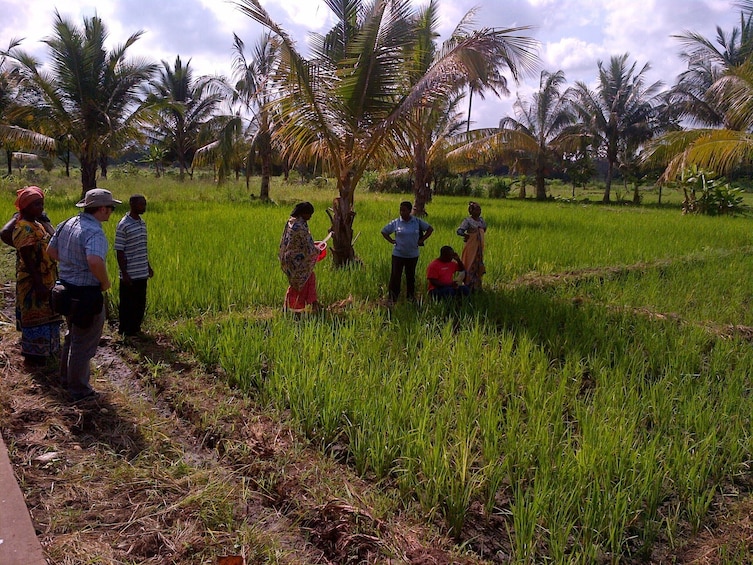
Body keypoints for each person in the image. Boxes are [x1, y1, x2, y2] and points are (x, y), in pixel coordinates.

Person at [47, 188, 121, 402]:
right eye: (111, 208)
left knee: (73, 335)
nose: (111, 212)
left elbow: (51, 251)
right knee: (83, 343)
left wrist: (71, 264)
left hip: (66, 290)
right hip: (86, 295)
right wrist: (105, 282)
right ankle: (79, 390)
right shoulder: (94, 232)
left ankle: (65, 378)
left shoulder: (68, 223)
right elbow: (95, 261)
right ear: (102, 209)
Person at [9, 186, 62, 365]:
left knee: (48, 313)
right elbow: (28, 259)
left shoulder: (37, 224)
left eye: (41, 204)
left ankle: (48, 350)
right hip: (33, 281)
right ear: (25, 207)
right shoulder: (23, 227)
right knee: (35, 314)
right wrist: (38, 283)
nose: (40, 208)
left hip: (47, 278)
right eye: (36, 205)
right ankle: (35, 355)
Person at [114, 194, 153, 337]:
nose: (144, 207)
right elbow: (119, 251)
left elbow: (142, 248)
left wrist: (148, 267)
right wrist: (124, 273)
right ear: (132, 204)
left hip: (141, 271)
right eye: (141, 204)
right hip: (130, 274)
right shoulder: (124, 224)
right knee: (127, 304)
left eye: (145, 204)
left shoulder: (142, 223)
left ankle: (136, 329)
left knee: (140, 303)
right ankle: (125, 331)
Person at [381, 201, 433, 303]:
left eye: (404, 210)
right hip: (398, 254)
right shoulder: (396, 222)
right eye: (400, 210)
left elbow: (430, 229)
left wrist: (421, 240)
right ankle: (393, 297)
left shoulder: (417, 222)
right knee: (396, 276)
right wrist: (391, 241)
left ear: (409, 211)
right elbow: (384, 231)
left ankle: (410, 297)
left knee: (410, 276)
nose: (402, 212)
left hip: (412, 255)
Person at [279, 202, 324, 313]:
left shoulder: (291, 222)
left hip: (289, 259)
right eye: (309, 214)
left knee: (302, 280)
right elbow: (307, 244)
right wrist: (317, 250)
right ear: (303, 213)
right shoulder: (299, 227)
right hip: (297, 261)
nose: (310, 217)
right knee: (303, 280)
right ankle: (311, 304)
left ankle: (312, 304)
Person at [456, 201, 487, 291]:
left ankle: (477, 286)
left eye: (479, 210)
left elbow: (484, 229)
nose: (479, 212)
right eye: (476, 210)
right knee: (469, 263)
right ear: (471, 211)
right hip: (471, 247)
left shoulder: (481, 220)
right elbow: (459, 231)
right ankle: (468, 285)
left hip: (479, 248)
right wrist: (465, 235)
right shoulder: (468, 221)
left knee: (478, 264)